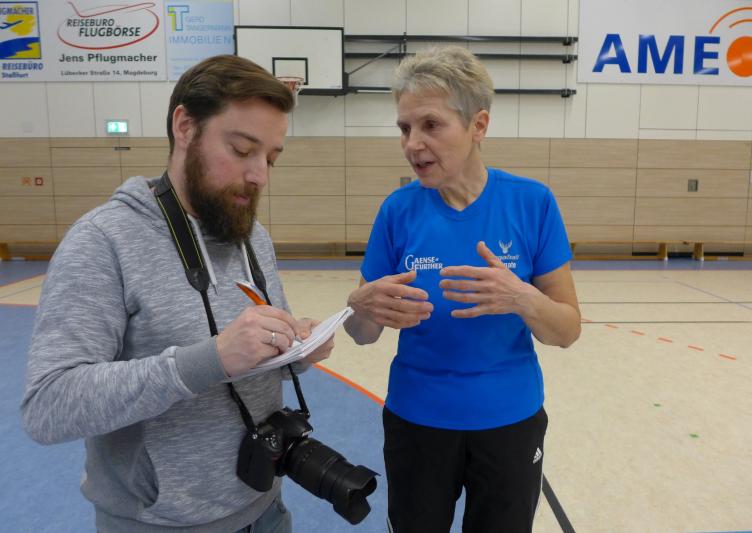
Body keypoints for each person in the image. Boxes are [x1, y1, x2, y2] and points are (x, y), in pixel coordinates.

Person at [21, 55, 335, 532]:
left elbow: (257, 350)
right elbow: (47, 406)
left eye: (270, 158)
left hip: (266, 509)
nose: (260, 175)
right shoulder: (103, 241)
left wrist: (296, 346)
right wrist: (207, 361)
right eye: (242, 149)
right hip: (158, 523)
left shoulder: (253, 236)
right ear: (185, 126)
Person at [344, 46, 582, 533]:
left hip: (510, 419)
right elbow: (362, 334)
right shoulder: (397, 211)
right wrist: (359, 307)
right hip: (417, 419)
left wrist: (520, 297)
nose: (413, 144)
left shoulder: (532, 203)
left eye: (431, 125)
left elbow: (566, 330)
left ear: (479, 125)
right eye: (404, 128)